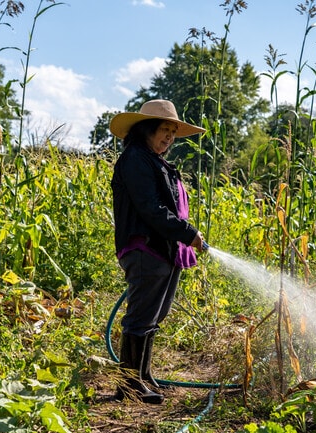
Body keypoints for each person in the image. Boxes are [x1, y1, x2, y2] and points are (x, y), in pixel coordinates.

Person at [109, 99, 206, 404]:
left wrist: (182, 236)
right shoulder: (135, 159)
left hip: (164, 249)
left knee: (154, 315)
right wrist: (188, 233)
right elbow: (151, 208)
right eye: (165, 129)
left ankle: (142, 375)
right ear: (147, 129)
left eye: (173, 132)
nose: (169, 137)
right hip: (145, 248)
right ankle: (128, 386)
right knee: (140, 317)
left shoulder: (155, 161)